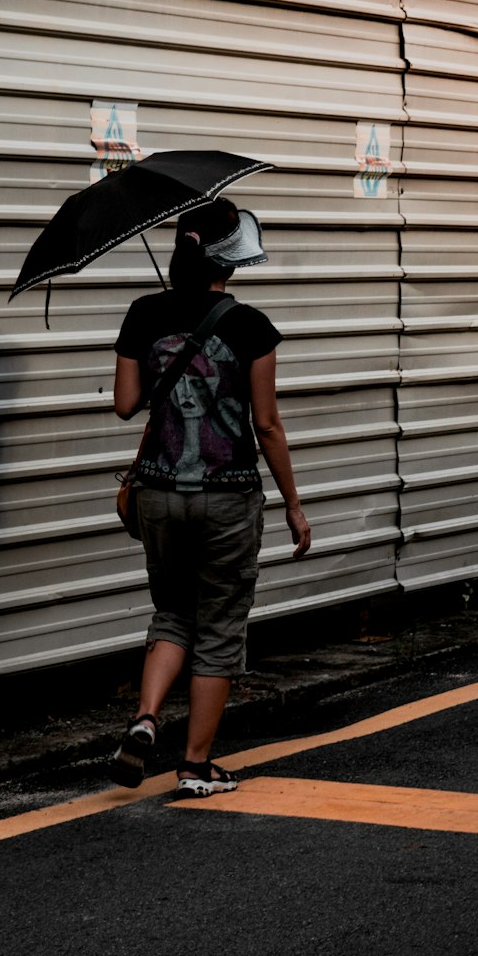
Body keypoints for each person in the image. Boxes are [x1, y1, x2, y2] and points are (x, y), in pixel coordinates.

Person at [109, 197, 311, 797]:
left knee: (173, 612)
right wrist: (294, 505)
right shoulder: (251, 325)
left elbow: (124, 405)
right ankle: (195, 765)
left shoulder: (143, 314)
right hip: (228, 497)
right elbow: (267, 424)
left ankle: (145, 718)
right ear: (233, 257)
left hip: (159, 494)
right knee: (220, 628)